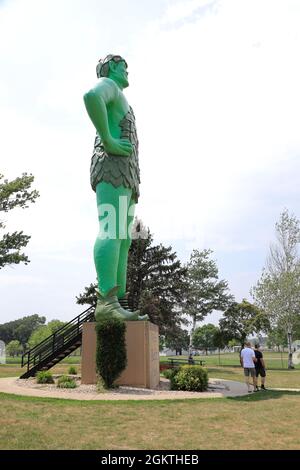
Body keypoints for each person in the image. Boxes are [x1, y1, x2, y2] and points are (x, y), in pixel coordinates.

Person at [83, 54, 148, 321]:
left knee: (123, 236)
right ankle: (106, 302)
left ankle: (117, 302)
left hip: (126, 175)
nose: (127, 68)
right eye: (123, 64)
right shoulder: (108, 84)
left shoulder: (120, 95)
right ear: (110, 68)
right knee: (111, 228)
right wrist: (108, 140)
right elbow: (90, 96)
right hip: (111, 169)